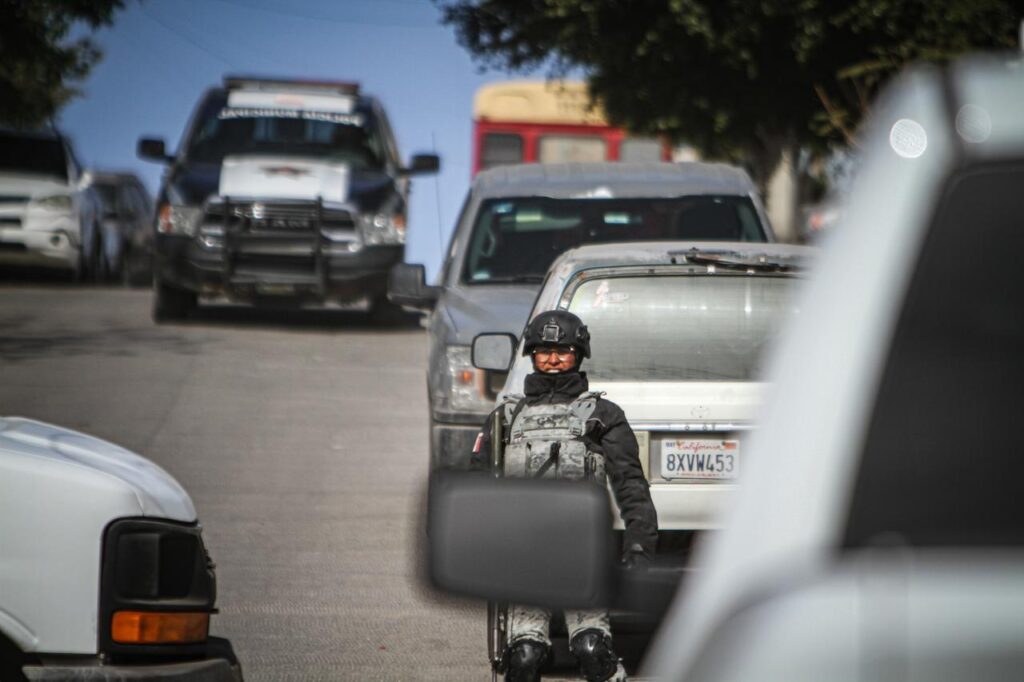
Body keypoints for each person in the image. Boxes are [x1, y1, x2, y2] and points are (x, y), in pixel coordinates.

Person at [471, 310, 658, 682]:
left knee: (592, 649)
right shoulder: (506, 418)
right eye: (543, 351)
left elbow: (631, 484)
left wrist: (639, 545)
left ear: (579, 353)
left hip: (583, 555)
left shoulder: (601, 415)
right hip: (523, 555)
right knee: (524, 656)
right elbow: (477, 488)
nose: (553, 360)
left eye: (564, 351)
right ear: (531, 355)